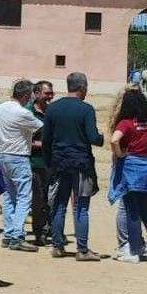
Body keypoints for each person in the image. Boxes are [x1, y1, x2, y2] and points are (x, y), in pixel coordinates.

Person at [40, 72, 103, 261]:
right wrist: (101, 139)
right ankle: (82, 250)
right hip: (81, 163)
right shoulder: (86, 109)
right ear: (82, 87)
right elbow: (93, 137)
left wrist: (48, 162)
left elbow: (45, 139)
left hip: (59, 162)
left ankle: (58, 246)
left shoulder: (53, 109)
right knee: (81, 207)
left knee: (59, 205)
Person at [109, 88, 147, 262]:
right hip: (146, 167)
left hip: (130, 167)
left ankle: (133, 251)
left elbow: (114, 140)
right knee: (145, 212)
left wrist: (119, 154)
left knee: (131, 211)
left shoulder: (125, 122)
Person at [0, 79, 42, 251]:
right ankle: (17, 235)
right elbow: (40, 127)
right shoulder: (23, 113)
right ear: (25, 95)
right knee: (24, 197)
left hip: (4, 154)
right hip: (19, 156)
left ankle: (8, 234)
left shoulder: (1, 108)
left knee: (9, 196)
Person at [28, 79, 53, 246]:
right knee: (38, 199)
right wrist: (40, 144)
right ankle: (39, 232)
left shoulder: (53, 112)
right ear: (37, 94)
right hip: (35, 162)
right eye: (46, 93)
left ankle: (50, 229)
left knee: (51, 198)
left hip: (52, 162)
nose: (50, 96)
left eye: (51, 93)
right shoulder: (27, 113)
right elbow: (21, 139)